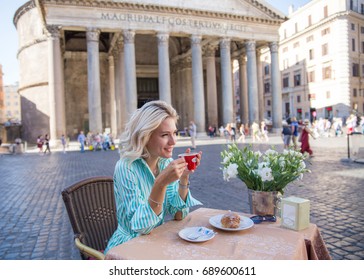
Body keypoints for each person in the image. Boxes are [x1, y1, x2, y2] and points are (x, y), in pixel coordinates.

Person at [104, 100, 202, 254]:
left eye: (174, 133)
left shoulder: (165, 163)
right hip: (128, 247)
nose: (173, 141)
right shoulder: (126, 167)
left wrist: (183, 178)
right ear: (146, 136)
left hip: (157, 241)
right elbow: (141, 228)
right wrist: (160, 183)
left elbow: (179, 214)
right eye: (165, 135)